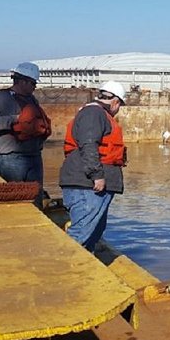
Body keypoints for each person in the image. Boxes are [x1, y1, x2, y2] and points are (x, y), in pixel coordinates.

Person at [60, 81, 127, 251]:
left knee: (93, 232)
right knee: (81, 233)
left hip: (89, 184)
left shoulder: (95, 114)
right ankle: (65, 268)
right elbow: (89, 144)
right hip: (87, 185)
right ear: (115, 102)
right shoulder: (93, 114)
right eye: (119, 105)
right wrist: (96, 175)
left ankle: (82, 267)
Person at [0, 62, 51, 205]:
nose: (34, 86)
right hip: (11, 157)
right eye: (32, 83)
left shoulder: (32, 99)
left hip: (34, 155)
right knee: (13, 201)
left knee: (35, 199)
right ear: (22, 81)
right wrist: (14, 120)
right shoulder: (2, 98)